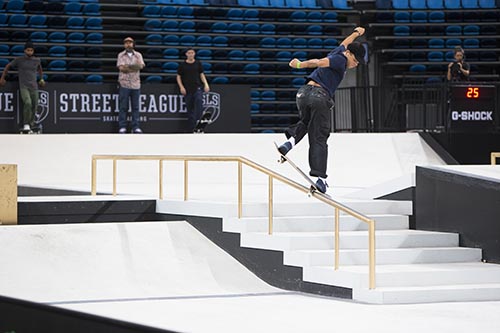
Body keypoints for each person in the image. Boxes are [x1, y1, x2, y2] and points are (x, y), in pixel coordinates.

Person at [277, 27, 366, 194]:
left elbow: (346, 42)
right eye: (356, 60)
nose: (357, 64)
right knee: (319, 136)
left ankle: (289, 143)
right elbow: (319, 62)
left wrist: (356, 32)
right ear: (350, 55)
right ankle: (321, 179)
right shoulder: (340, 60)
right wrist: (299, 64)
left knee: (306, 122)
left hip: (303, 94)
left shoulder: (340, 50)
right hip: (319, 96)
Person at [0, 41, 45, 133]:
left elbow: (40, 69)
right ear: (25, 50)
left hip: (34, 86)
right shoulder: (19, 60)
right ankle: (26, 124)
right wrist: (2, 78)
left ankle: (31, 124)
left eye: (31, 50)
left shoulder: (37, 60)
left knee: (35, 105)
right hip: (24, 86)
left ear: (33, 51)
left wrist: (41, 79)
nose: (30, 52)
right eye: (28, 50)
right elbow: (8, 66)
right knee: (28, 103)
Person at [176, 48, 210, 132]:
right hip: (187, 89)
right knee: (190, 109)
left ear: (194, 54)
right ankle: (193, 127)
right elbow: (178, 76)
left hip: (197, 87)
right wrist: (181, 87)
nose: (191, 54)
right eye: (189, 53)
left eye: (192, 53)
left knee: (199, 100)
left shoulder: (198, 63)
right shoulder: (182, 65)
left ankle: (200, 119)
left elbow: (201, 74)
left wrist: (206, 84)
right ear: (186, 54)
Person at [117, 37, 145, 134]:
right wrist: (134, 67)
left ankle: (136, 127)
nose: (128, 44)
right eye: (126, 43)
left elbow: (140, 66)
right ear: (124, 45)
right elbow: (121, 68)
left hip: (135, 84)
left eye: (130, 42)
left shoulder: (138, 55)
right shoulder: (121, 55)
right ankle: (122, 126)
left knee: (135, 107)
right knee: (123, 107)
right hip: (124, 84)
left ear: (133, 44)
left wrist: (128, 66)